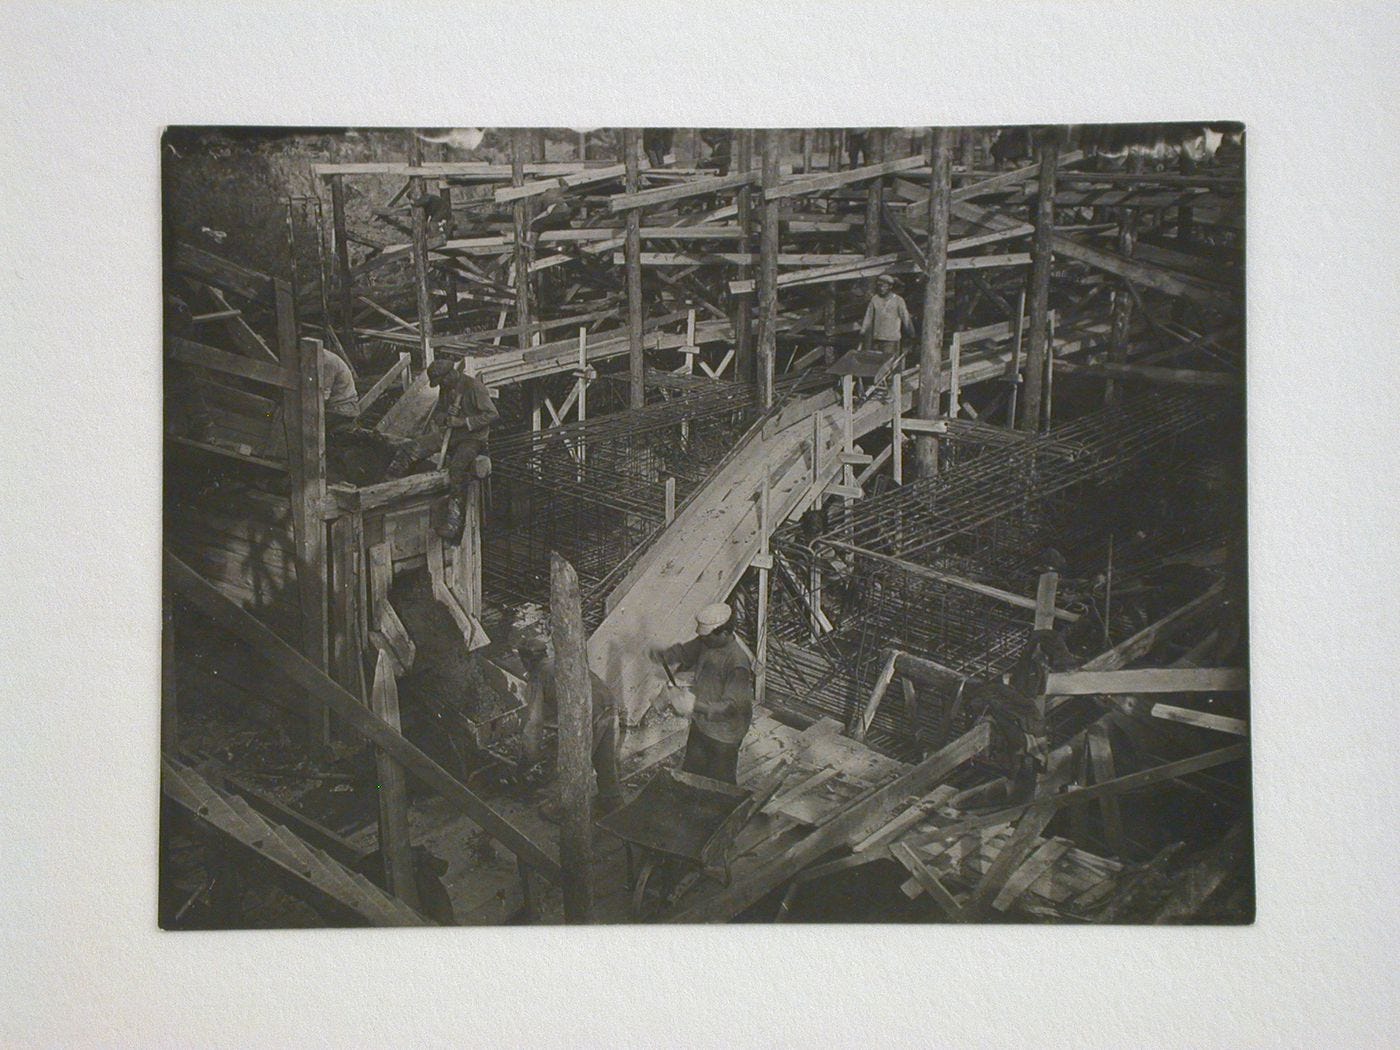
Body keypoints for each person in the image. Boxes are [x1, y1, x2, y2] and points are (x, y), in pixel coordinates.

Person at [517, 633, 623, 820]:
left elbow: (533, 723)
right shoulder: (562, 661)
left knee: (574, 762)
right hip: (608, 703)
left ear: (526, 661)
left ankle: (565, 808)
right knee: (604, 759)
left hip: (588, 712)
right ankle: (612, 801)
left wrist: (529, 757)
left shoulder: (538, 676)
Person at [654, 603, 754, 784]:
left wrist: (693, 706)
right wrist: (666, 655)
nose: (702, 640)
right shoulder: (708, 642)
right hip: (702, 724)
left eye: (706, 637)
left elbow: (730, 708)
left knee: (719, 783)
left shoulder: (737, 664)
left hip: (724, 734)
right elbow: (686, 651)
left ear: (724, 633)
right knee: (691, 774)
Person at [422, 358, 498, 542]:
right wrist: (444, 418)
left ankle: (454, 524)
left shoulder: (474, 387)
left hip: (473, 439)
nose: (441, 386)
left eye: (441, 381)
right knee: (416, 447)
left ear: (450, 374)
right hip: (452, 435)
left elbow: (492, 414)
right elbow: (439, 412)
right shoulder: (446, 388)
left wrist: (463, 422)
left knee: (456, 469)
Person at [861, 274, 915, 358]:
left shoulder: (898, 300)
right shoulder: (875, 299)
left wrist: (911, 333)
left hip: (891, 339)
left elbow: (905, 317)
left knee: (889, 362)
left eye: (884, 286)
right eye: (879, 286)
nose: (881, 288)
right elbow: (868, 316)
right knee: (877, 362)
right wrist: (863, 331)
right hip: (877, 338)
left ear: (890, 287)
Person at [320, 345, 361, 437]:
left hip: (341, 409)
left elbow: (323, 397)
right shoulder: (322, 357)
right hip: (336, 407)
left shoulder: (326, 361)